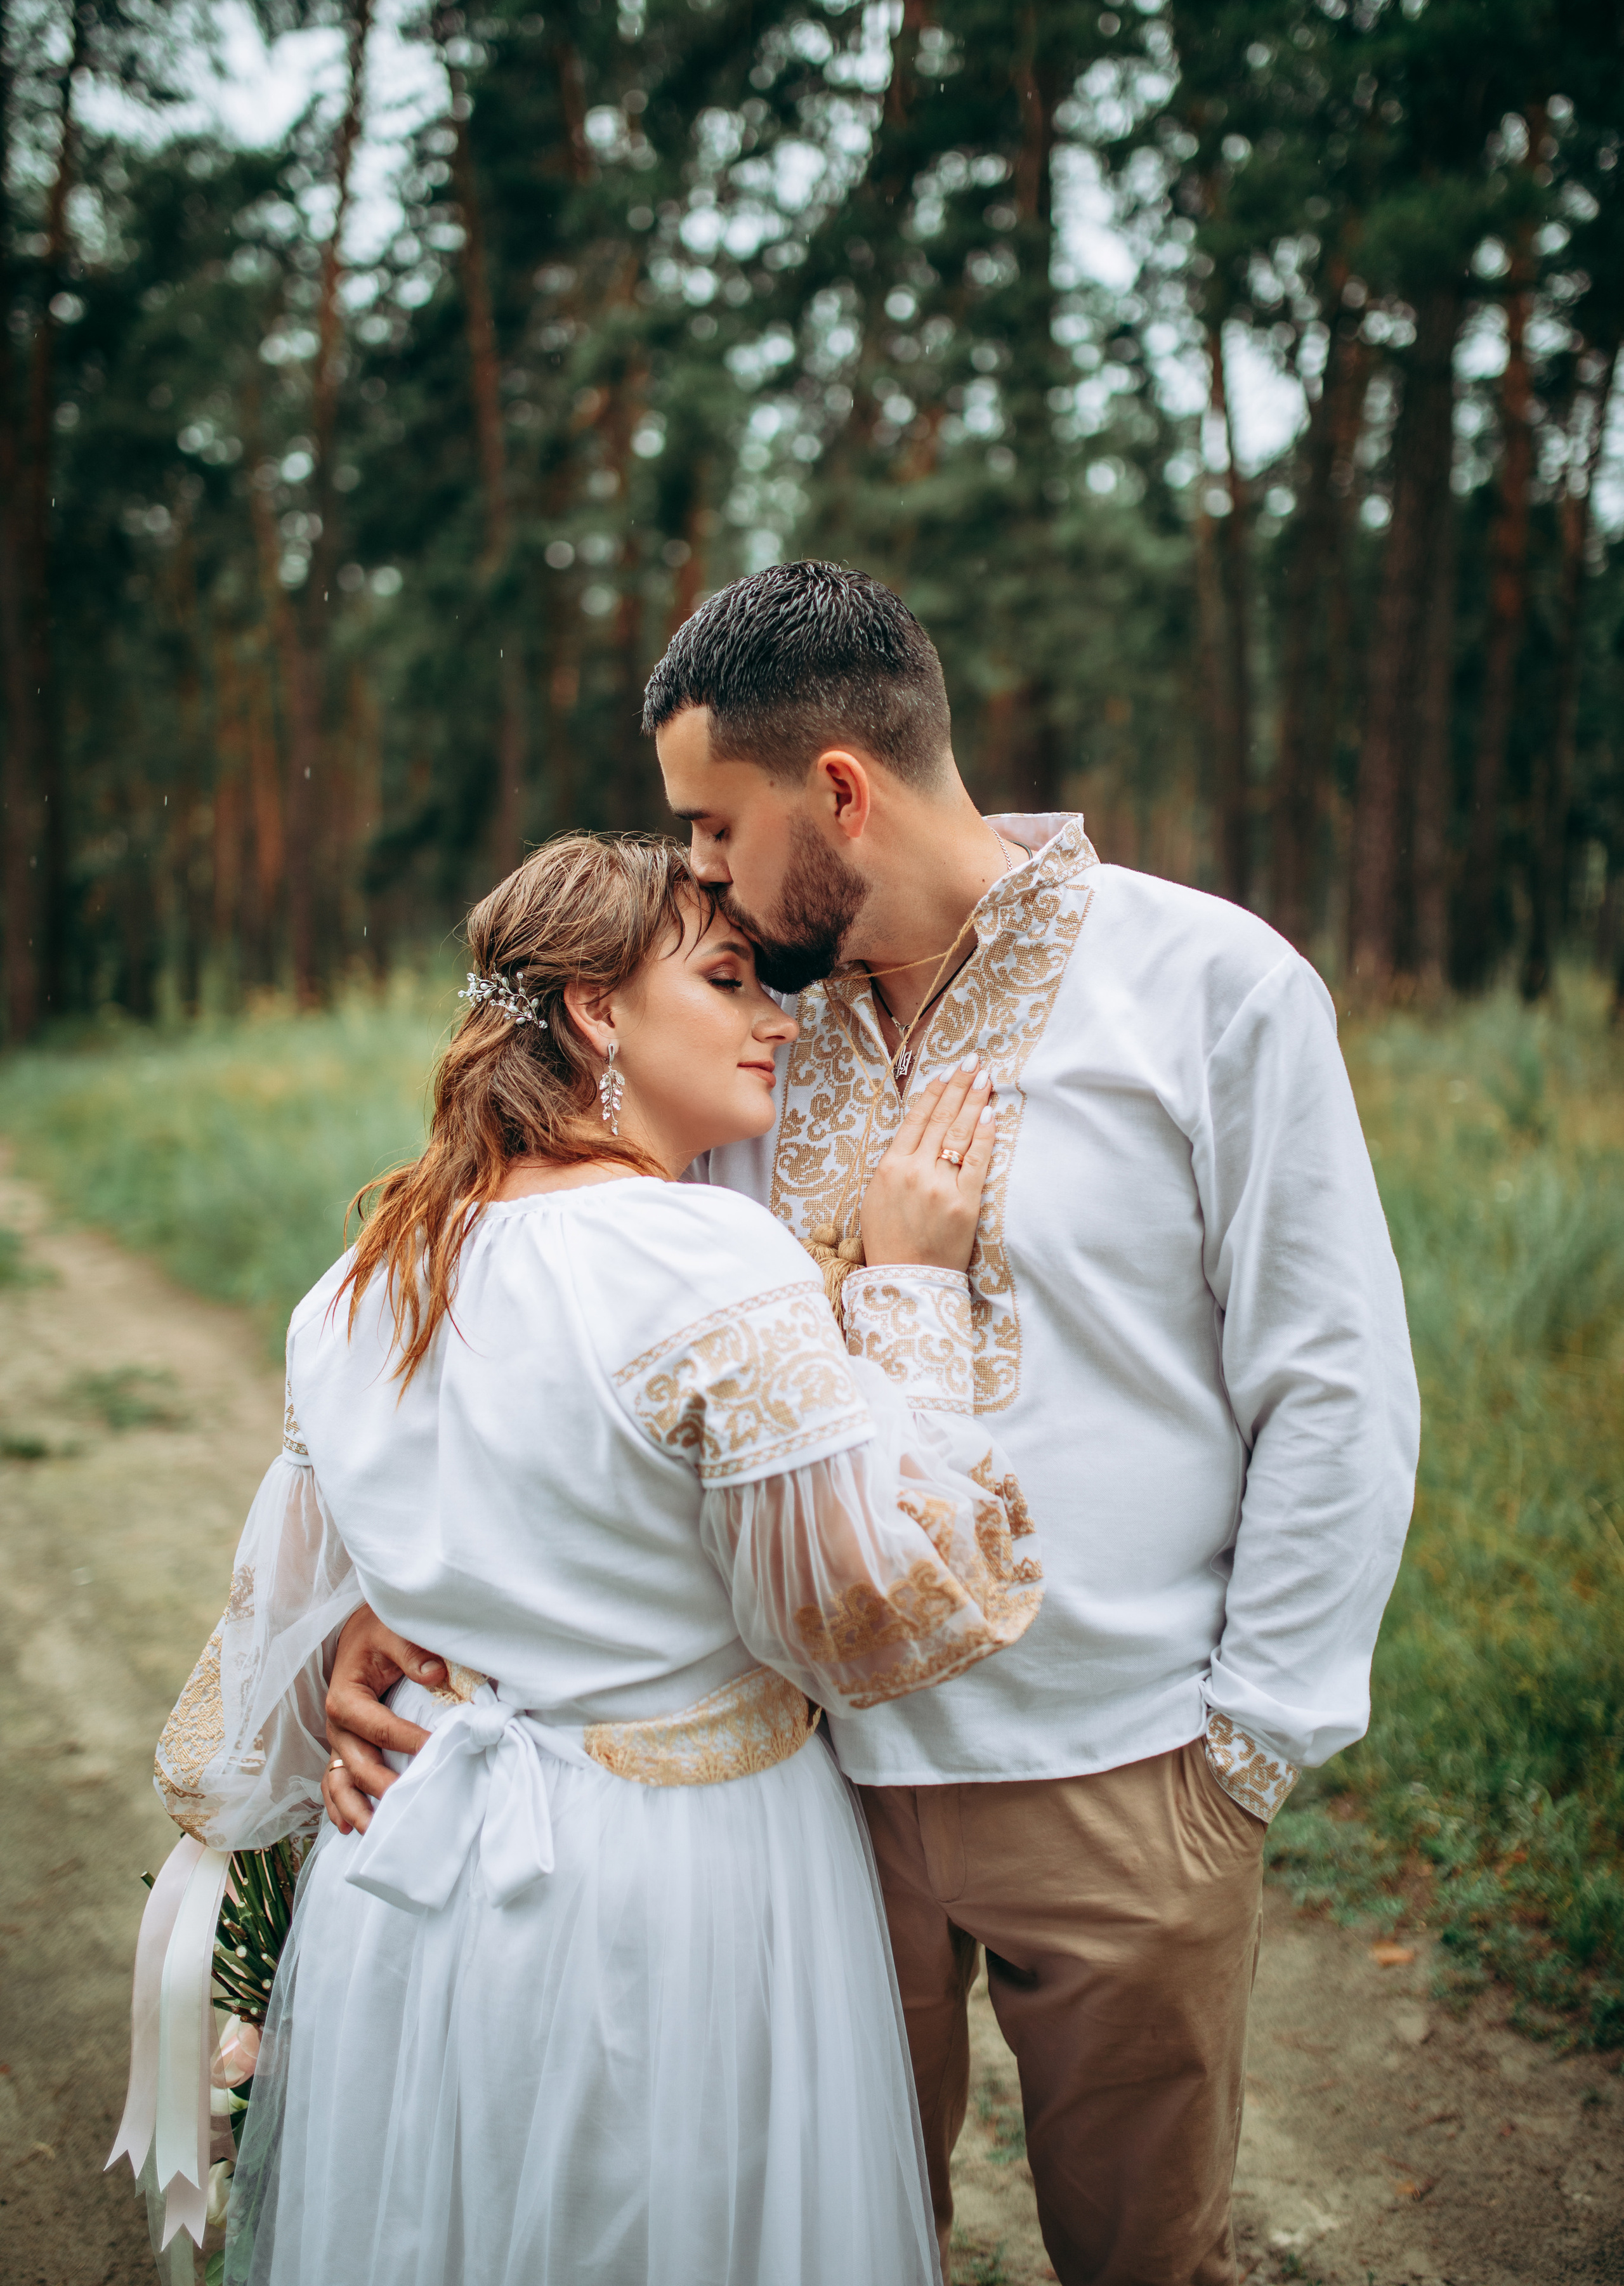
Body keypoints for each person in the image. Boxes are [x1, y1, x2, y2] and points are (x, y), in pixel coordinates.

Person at [331, 561, 1419, 2286]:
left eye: (713, 827)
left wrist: (1250, 1749)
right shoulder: (746, 1032)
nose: (697, 871)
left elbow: (1333, 1379)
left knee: (1146, 2263)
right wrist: (391, 1601)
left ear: (839, 791)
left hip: (1123, 1778)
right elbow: (570, 1318)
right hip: (805, 1792)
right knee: (822, 2248)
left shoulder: (1213, 988)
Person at [115, 831, 1044, 2286]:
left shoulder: (355, 1286)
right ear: (597, 1010)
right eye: (727, 980)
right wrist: (912, 1289)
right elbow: (871, 1610)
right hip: (678, 1874)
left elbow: (295, 1628)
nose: (778, 1018)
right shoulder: (704, 1257)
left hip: (406, 1883)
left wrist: (379, 1647)